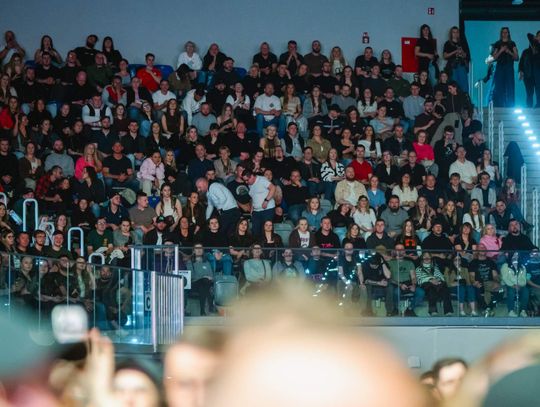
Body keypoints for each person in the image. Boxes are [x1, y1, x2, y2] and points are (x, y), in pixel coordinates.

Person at [491, 27, 519, 107]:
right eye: (503, 32)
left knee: (510, 87)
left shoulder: (512, 43)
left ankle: (511, 106)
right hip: (500, 68)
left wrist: (509, 52)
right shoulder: (497, 43)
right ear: (501, 33)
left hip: (509, 67)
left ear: (508, 33)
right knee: (499, 87)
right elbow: (494, 57)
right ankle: (500, 106)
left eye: (506, 32)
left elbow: (517, 58)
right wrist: (501, 50)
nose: (504, 34)